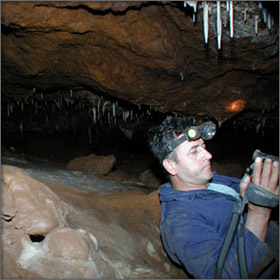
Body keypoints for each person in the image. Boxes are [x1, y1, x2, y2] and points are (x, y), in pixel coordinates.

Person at [148, 115, 279, 279]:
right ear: (171, 166)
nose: (208, 154)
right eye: (194, 151)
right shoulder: (180, 223)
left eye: (203, 146)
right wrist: (259, 211)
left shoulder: (210, 182)